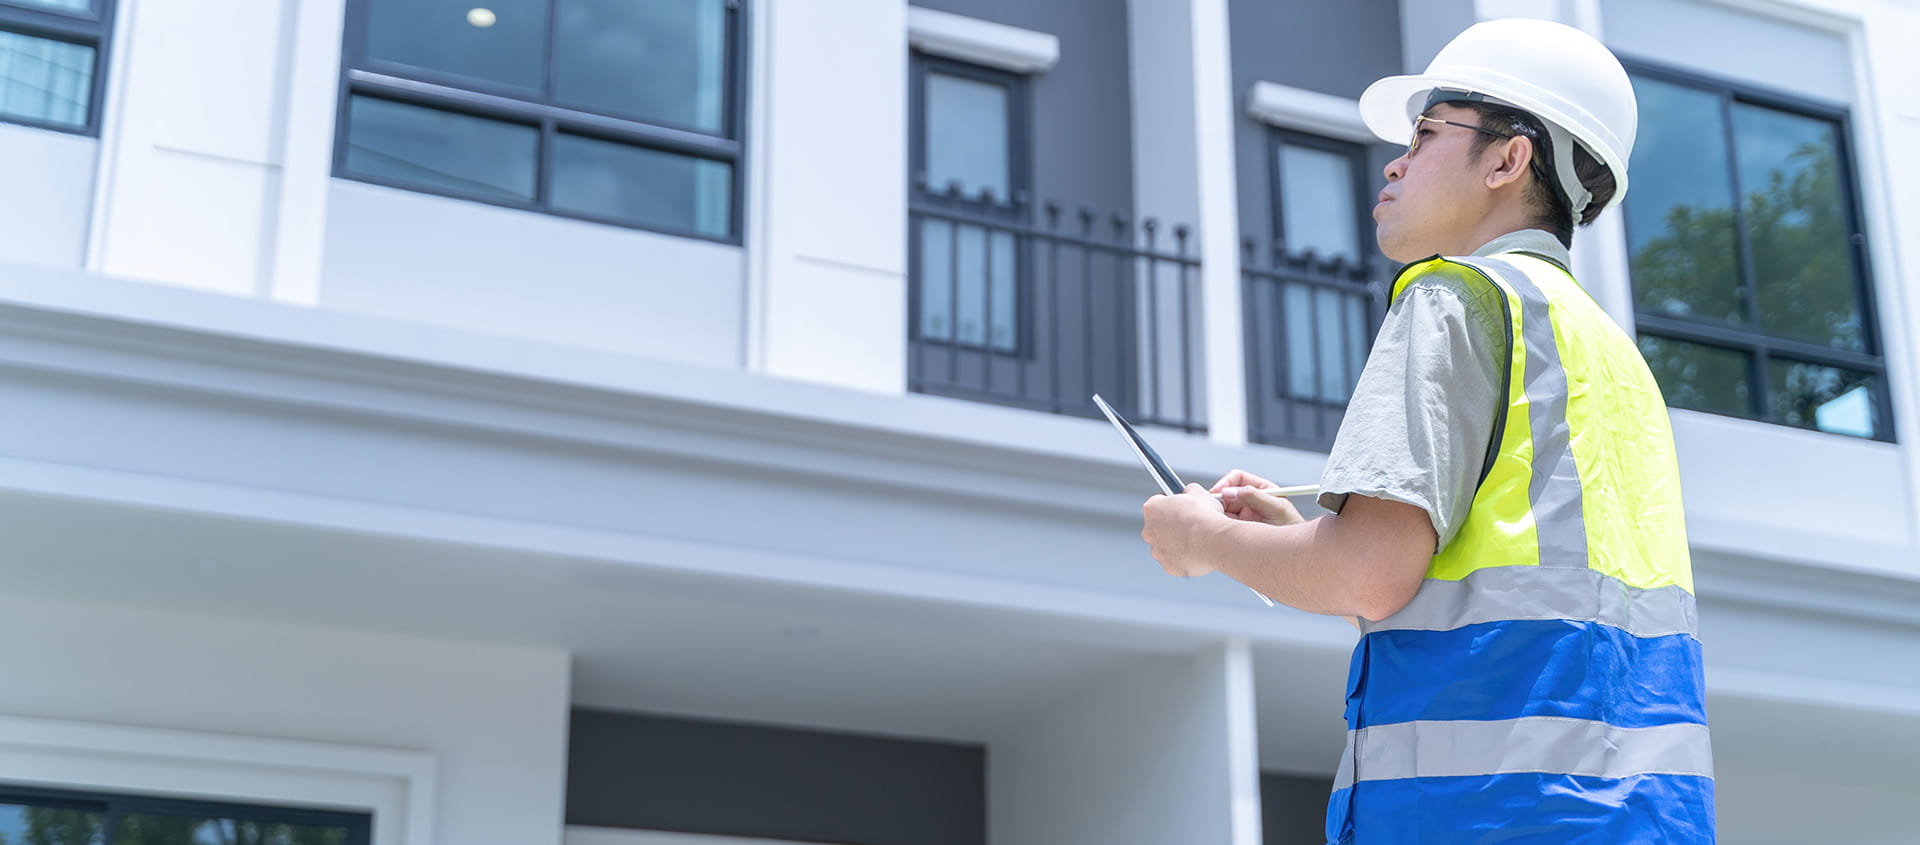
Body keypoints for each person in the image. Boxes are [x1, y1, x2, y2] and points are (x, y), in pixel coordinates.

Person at [1137, 18, 1715, 843]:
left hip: (1480, 815)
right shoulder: (1610, 354)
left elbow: (1369, 573)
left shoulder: (1453, 295)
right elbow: (1494, 609)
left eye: (1425, 133)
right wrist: (1305, 543)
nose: (1395, 162)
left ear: (1509, 159)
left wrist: (1205, 541)